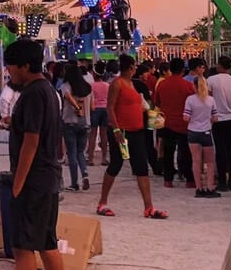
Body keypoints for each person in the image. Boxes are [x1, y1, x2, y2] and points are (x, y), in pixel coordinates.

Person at [0, 38, 73, 270]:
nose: (8, 70)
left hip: (33, 181)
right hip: (48, 178)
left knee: (23, 248)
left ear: (24, 66)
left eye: (10, 64)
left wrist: (17, 183)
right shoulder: (48, 90)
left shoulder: (33, 94)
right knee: (47, 243)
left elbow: (32, 142)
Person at [95, 55, 166, 219]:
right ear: (129, 67)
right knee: (116, 165)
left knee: (141, 168)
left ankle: (149, 207)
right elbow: (110, 107)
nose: (135, 69)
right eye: (134, 67)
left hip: (137, 131)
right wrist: (116, 130)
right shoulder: (117, 83)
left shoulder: (132, 84)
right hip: (122, 131)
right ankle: (102, 201)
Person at [154, 57, 196, 188]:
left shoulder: (162, 84)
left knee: (168, 152)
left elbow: (157, 102)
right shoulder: (188, 86)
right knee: (185, 153)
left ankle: (168, 179)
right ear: (183, 70)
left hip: (167, 123)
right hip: (184, 124)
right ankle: (189, 179)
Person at [207, 56, 231, 192]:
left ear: (219, 65)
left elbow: (208, 98)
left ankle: (222, 181)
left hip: (218, 118)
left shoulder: (211, 80)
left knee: (220, 151)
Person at [183, 73, 219, 198]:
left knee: (196, 161)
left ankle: (198, 188)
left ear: (194, 86)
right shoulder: (211, 100)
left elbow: (186, 117)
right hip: (206, 132)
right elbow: (215, 117)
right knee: (209, 162)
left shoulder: (190, 99)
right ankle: (210, 187)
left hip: (193, 131)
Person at [59, 64, 91, 192]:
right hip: (85, 123)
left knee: (71, 153)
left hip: (70, 122)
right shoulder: (88, 87)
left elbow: (67, 96)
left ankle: (74, 183)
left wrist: (77, 108)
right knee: (80, 152)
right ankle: (85, 174)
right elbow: (92, 106)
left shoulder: (66, 85)